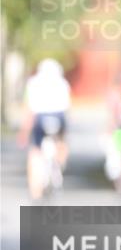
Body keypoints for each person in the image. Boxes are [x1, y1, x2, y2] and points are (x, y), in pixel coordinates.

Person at [18, 58, 72, 200]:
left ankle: (35, 190)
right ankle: (59, 166)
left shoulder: (33, 83)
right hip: (58, 117)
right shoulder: (63, 83)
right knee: (62, 142)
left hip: (39, 118)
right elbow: (67, 109)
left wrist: (24, 132)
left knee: (35, 152)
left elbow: (29, 109)